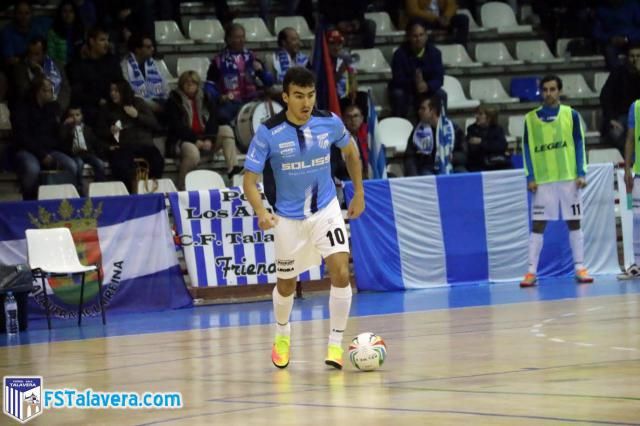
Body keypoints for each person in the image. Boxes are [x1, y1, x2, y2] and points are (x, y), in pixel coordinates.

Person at [243, 67, 365, 370]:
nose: (306, 102)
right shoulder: (268, 132)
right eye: (298, 96)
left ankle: (335, 345)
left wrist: (358, 192)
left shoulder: (329, 122)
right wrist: (261, 211)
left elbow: (351, 153)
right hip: (287, 219)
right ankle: (282, 335)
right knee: (286, 285)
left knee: (340, 270)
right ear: (286, 97)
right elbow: (249, 180)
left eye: (310, 95)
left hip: (326, 210)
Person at [521, 75, 593, 287]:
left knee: (574, 221)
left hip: (568, 178)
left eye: (553, 89)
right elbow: (526, 148)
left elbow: (580, 144)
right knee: (538, 225)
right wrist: (530, 176)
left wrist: (581, 172)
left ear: (559, 91)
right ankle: (531, 271)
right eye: (545, 90)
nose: (549, 93)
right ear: (541, 92)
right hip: (543, 181)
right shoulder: (530, 119)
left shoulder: (571, 115)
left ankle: (580, 267)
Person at [166, 70, 240, 188]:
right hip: (183, 140)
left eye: (193, 82)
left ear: (197, 85)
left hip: (204, 137)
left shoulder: (206, 97)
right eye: (186, 82)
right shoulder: (174, 100)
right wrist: (196, 141)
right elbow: (177, 127)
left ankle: (233, 170)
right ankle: (182, 186)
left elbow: (213, 120)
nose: (190, 85)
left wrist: (209, 139)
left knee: (226, 130)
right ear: (181, 84)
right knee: (193, 153)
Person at [12, 77, 79, 200]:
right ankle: (30, 203)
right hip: (28, 150)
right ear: (40, 91)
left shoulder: (53, 107)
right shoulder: (22, 107)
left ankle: (65, 202)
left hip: (50, 150)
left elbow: (56, 135)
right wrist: (42, 155)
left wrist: (66, 128)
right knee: (32, 169)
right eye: (49, 90)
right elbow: (22, 137)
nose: (52, 94)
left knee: (71, 165)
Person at [388, 19, 445, 119]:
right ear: (409, 37)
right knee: (398, 94)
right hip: (407, 90)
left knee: (441, 94)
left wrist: (427, 86)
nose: (418, 39)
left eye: (421, 35)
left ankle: (440, 127)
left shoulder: (435, 53)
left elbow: (439, 78)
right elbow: (397, 79)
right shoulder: (399, 54)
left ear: (426, 36)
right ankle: (399, 125)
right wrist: (416, 83)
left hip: (427, 90)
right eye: (415, 36)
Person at [600, 43, 640, 153]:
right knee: (615, 133)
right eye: (632, 56)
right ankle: (632, 162)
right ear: (627, 58)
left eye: (638, 56)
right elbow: (605, 96)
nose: (635, 59)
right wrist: (611, 118)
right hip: (621, 117)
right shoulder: (618, 72)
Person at [404, 94, 457, 176]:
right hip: (427, 169)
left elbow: (463, 154)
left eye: (423, 109)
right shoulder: (418, 131)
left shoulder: (452, 128)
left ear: (433, 111)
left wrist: (450, 157)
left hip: (450, 166)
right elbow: (409, 157)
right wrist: (414, 175)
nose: (419, 111)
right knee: (427, 176)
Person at [120, 33, 170, 113]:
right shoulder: (125, 67)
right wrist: (150, 103)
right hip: (139, 103)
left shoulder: (155, 64)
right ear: (137, 50)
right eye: (148, 47)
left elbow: (165, 86)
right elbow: (131, 92)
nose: (153, 49)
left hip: (159, 100)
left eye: (152, 46)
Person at [619, 97, 640, 279]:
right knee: (638, 220)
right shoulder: (636, 106)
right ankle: (638, 265)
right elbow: (630, 139)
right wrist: (627, 168)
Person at [60, 104, 107, 184]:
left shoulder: (87, 129)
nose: (74, 118)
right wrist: (65, 126)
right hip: (74, 155)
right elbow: (61, 141)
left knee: (99, 163)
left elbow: (95, 142)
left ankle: (99, 186)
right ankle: (79, 188)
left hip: (88, 154)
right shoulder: (66, 129)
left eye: (77, 115)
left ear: (82, 116)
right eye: (71, 115)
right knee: (79, 164)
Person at [465, 104, 510, 172]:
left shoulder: (497, 129)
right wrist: (490, 145)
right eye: (476, 114)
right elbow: (474, 150)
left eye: (480, 114)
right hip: (478, 164)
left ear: (489, 117)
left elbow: (502, 146)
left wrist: (481, 142)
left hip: (496, 162)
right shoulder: (472, 129)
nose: (476, 116)